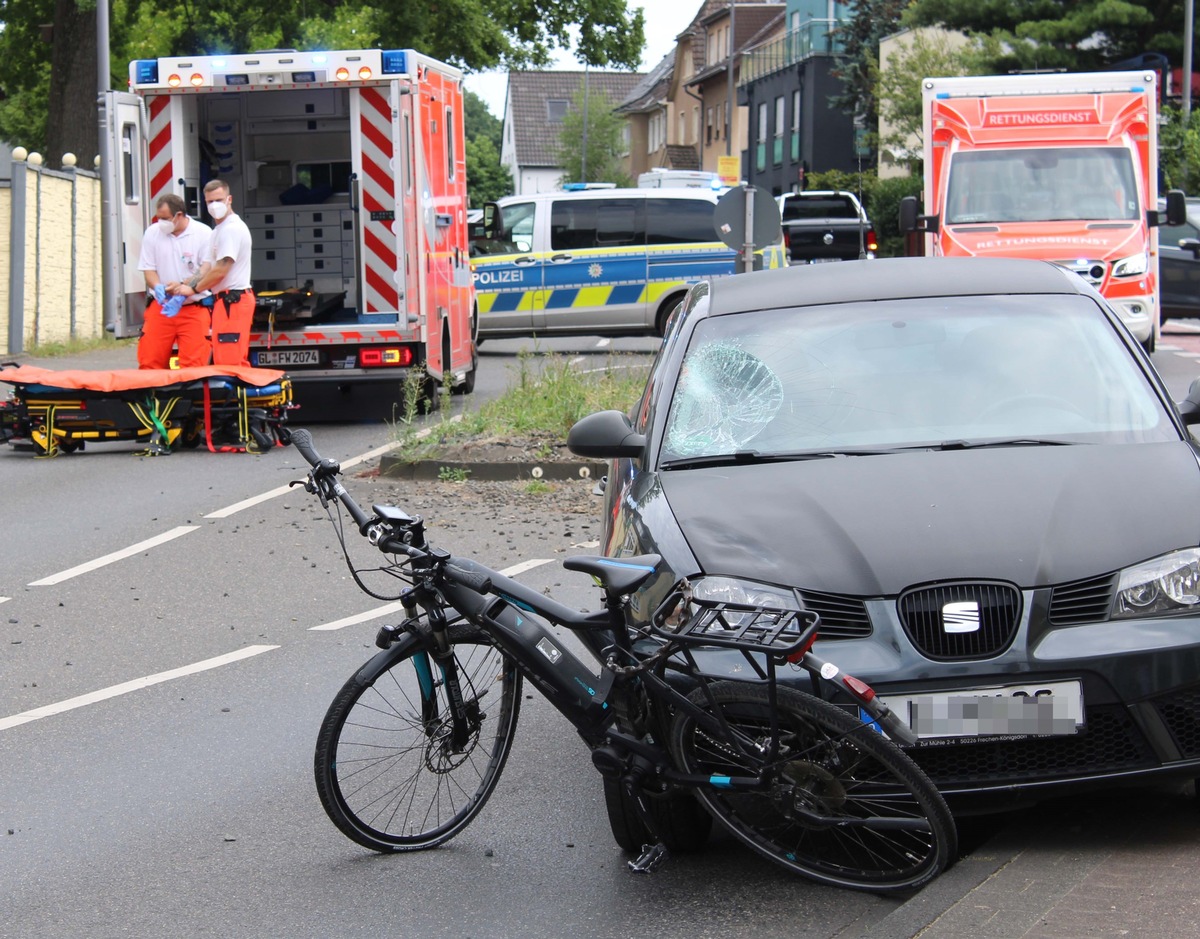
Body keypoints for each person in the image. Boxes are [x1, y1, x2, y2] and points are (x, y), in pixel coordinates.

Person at [170, 179, 254, 367]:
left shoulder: (231, 229)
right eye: (210, 202)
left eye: (219, 200)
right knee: (225, 359)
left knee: (230, 362)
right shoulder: (218, 231)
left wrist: (193, 290)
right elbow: (206, 266)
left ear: (229, 199)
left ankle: (236, 396)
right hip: (225, 302)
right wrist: (184, 285)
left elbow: (221, 270)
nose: (214, 205)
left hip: (233, 300)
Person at [136, 194, 213, 369]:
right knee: (149, 362)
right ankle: (152, 395)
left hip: (193, 308)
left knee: (194, 366)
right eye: (158, 218)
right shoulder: (152, 233)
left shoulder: (203, 233)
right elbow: (149, 269)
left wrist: (184, 288)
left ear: (179, 215)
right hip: (162, 307)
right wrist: (158, 286)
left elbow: (206, 268)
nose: (160, 222)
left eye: (165, 218)